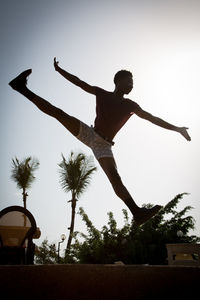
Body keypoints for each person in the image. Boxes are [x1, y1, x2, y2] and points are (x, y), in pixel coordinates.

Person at [9, 58, 191, 225]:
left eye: (133, 82)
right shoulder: (102, 94)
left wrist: (177, 129)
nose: (131, 84)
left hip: (104, 146)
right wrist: (59, 70)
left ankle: (137, 212)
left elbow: (152, 118)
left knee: (115, 178)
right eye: (128, 81)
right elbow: (79, 82)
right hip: (90, 134)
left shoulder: (131, 105)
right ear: (117, 82)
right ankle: (21, 88)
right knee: (59, 113)